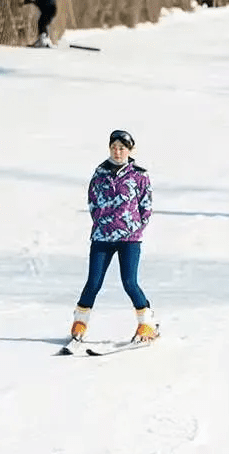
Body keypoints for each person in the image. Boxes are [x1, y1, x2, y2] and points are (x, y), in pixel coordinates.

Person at [70, 130, 159, 343]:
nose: (118, 152)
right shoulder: (100, 173)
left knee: (129, 282)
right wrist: (101, 222)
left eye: (122, 148)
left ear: (130, 150)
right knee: (93, 282)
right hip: (103, 236)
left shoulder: (139, 175)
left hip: (129, 238)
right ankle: (80, 322)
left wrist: (135, 227)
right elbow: (92, 201)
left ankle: (146, 323)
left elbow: (145, 206)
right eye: (114, 147)